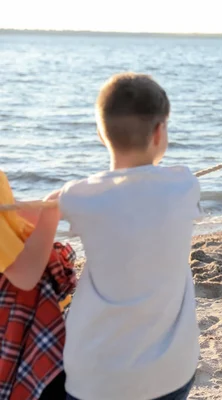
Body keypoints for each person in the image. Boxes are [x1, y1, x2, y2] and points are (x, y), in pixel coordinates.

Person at [56, 73, 200, 399]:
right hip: (170, 373)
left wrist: (58, 200)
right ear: (160, 132)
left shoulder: (78, 196)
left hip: (97, 379)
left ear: (99, 133)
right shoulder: (184, 184)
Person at [0, 172, 76, 400]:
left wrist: (47, 206)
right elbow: (25, 274)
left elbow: (8, 220)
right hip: (16, 314)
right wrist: (50, 215)